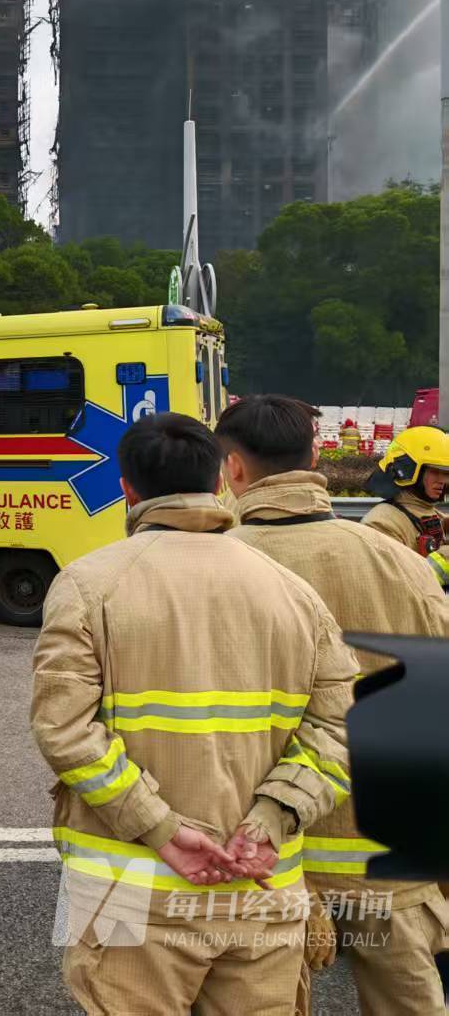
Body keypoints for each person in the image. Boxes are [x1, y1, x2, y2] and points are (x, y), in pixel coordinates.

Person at [32, 412, 357, 1016]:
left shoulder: (88, 584)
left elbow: (65, 730)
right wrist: (271, 819)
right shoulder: (292, 592)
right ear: (219, 482)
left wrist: (163, 829)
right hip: (263, 884)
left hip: (124, 893)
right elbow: (337, 727)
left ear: (127, 489)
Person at [217, 395, 449, 1014]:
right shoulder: (399, 561)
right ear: (316, 456)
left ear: (232, 468)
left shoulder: (215, 566)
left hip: (262, 848)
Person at [361, 425, 449, 576]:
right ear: (407, 470)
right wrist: (444, 559)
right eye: (435, 471)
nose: (443, 480)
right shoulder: (382, 523)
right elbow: (394, 582)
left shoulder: (434, 515)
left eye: (446, 473)